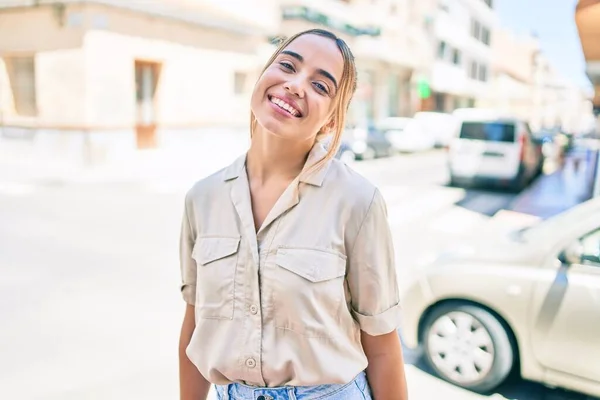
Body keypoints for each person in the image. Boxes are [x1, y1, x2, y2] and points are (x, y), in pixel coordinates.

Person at [178, 28, 408, 400]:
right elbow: (194, 329)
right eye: (287, 66)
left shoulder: (358, 201)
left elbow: (382, 345)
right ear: (263, 75)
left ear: (332, 120)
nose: (296, 85)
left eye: (321, 86)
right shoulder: (203, 198)